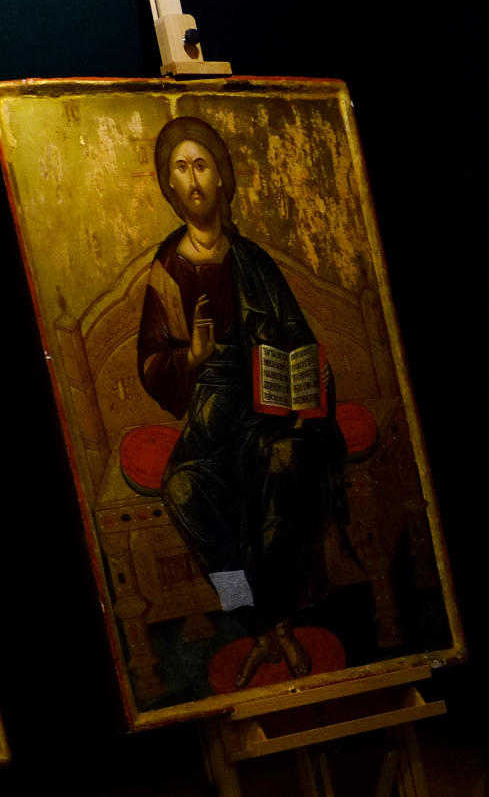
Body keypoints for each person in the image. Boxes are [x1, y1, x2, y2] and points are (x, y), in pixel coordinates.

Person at [137, 117, 348, 689]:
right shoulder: (166, 269)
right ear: (169, 186)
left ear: (222, 178)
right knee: (184, 487)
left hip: (268, 405)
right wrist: (195, 358)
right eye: (180, 169)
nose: (194, 179)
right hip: (209, 411)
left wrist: (309, 379)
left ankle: (267, 616)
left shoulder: (254, 261)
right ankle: (252, 611)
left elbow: (297, 336)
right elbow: (152, 365)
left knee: (282, 463)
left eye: (201, 164)